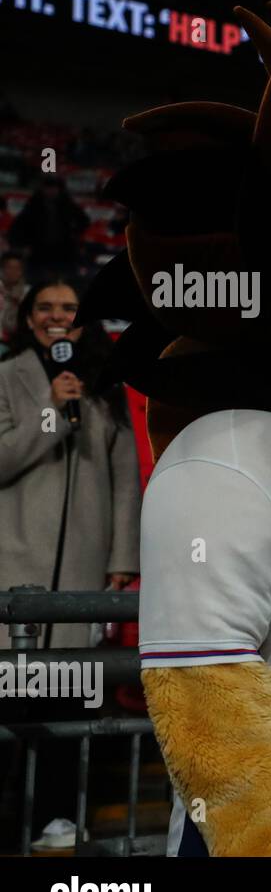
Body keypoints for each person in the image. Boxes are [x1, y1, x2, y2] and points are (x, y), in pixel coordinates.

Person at [0, 277, 141, 648]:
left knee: (71, 679)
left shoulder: (106, 381)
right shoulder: (5, 377)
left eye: (68, 308)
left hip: (86, 553)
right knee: (14, 679)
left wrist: (123, 557)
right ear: (29, 319)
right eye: (44, 307)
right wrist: (53, 410)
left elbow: (124, 476)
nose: (56, 316)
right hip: (14, 550)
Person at [5, 178, 89, 278]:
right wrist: (23, 245)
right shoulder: (34, 205)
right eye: (48, 188)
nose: (51, 191)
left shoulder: (67, 204)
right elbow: (18, 226)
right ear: (43, 189)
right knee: (37, 279)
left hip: (63, 250)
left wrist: (75, 234)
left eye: (54, 188)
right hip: (39, 249)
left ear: (59, 189)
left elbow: (84, 220)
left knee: (64, 279)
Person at [0, 252, 29, 353]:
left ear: (22, 271)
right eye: (9, 268)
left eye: (17, 268)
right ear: (2, 269)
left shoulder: (28, 292)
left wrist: (18, 301)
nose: (13, 272)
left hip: (20, 342)